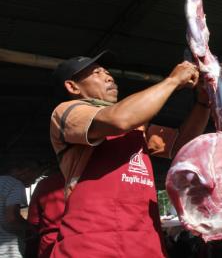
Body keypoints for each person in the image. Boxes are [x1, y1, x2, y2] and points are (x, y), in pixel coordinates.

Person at [48, 51, 211, 257]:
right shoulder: (68, 112)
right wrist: (172, 81)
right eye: (97, 73)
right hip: (94, 241)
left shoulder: (137, 124)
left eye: (107, 72)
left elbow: (180, 145)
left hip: (144, 238)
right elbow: (120, 120)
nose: (109, 76)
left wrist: (203, 103)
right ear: (73, 87)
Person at [0, 158, 42, 258]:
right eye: (35, 177)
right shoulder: (15, 184)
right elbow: (12, 218)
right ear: (26, 171)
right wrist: (32, 229)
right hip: (6, 252)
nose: (33, 182)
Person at [25, 168, 65, 258]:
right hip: (82, 240)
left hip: (50, 243)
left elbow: (33, 220)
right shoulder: (88, 180)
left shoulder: (45, 184)